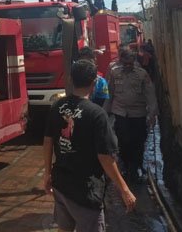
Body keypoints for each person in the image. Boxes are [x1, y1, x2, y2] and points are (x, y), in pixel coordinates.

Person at [44, 60, 136, 232]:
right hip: (85, 191)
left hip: (61, 184)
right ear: (94, 83)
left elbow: (48, 141)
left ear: (71, 79)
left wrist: (48, 173)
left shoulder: (57, 107)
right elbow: (105, 157)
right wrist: (124, 189)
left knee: (64, 228)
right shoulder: (97, 114)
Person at [104, 48, 158, 181]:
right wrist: (104, 112)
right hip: (120, 112)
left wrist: (152, 113)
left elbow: (150, 94)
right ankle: (126, 164)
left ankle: (137, 165)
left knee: (139, 140)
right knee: (123, 139)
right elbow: (109, 93)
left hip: (138, 113)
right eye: (125, 62)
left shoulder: (142, 74)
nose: (128, 65)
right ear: (121, 61)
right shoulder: (114, 73)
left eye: (131, 62)